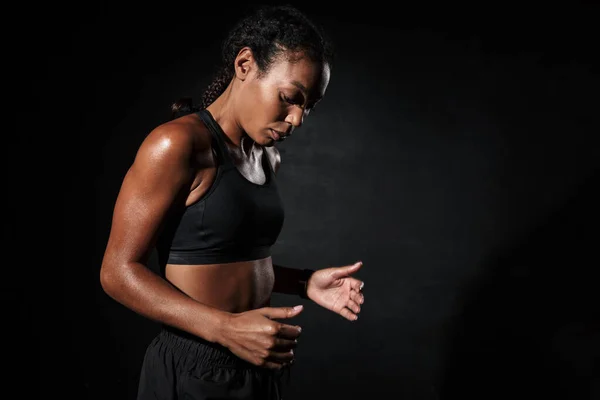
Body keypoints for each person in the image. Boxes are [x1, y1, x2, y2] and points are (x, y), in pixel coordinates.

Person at [100, 4, 365, 400]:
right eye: (291, 97)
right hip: (196, 368)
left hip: (261, 365)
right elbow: (117, 273)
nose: (298, 119)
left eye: (308, 106)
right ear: (245, 64)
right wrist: (224, 329)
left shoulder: (266, 156)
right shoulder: (177, 145)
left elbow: (227, 262)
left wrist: (306, 282)